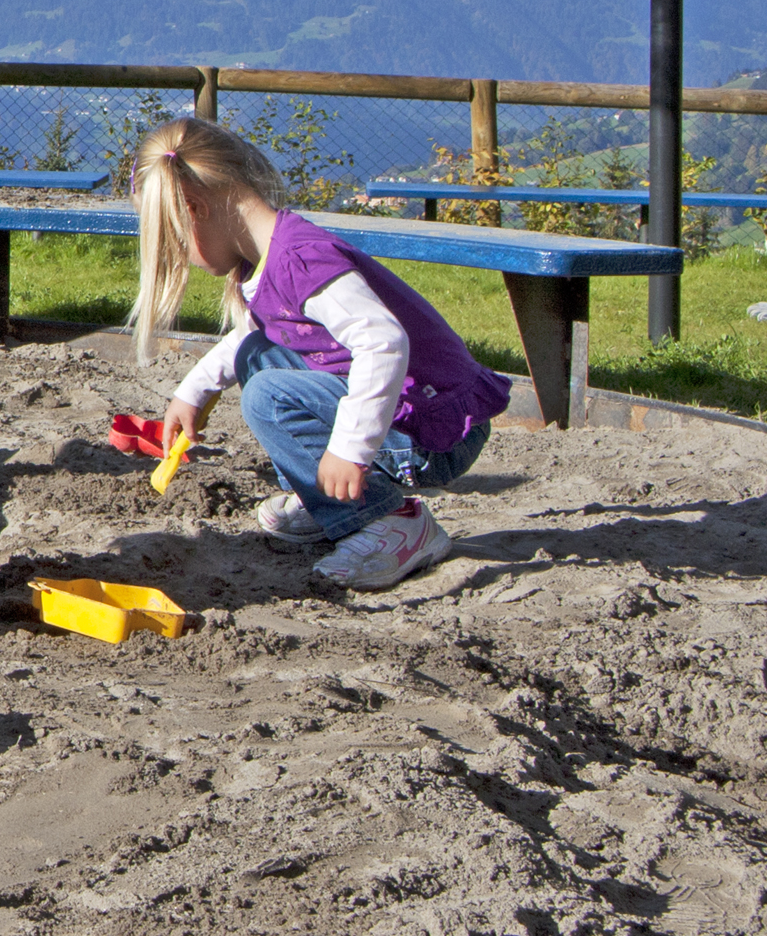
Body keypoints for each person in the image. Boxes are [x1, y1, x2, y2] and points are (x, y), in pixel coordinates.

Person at [139, 115, 507, 591]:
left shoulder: (299, 259)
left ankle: (395, 521)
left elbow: (384, 341)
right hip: (407, 413)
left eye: (176, 240)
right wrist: (192, 393)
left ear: (194, 208)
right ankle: (321, 498)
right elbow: (252, 335)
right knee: (257, 356)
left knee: (267, 395)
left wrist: (348, 450)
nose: (182, 255)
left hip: (435, 430)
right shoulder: (270, 256)